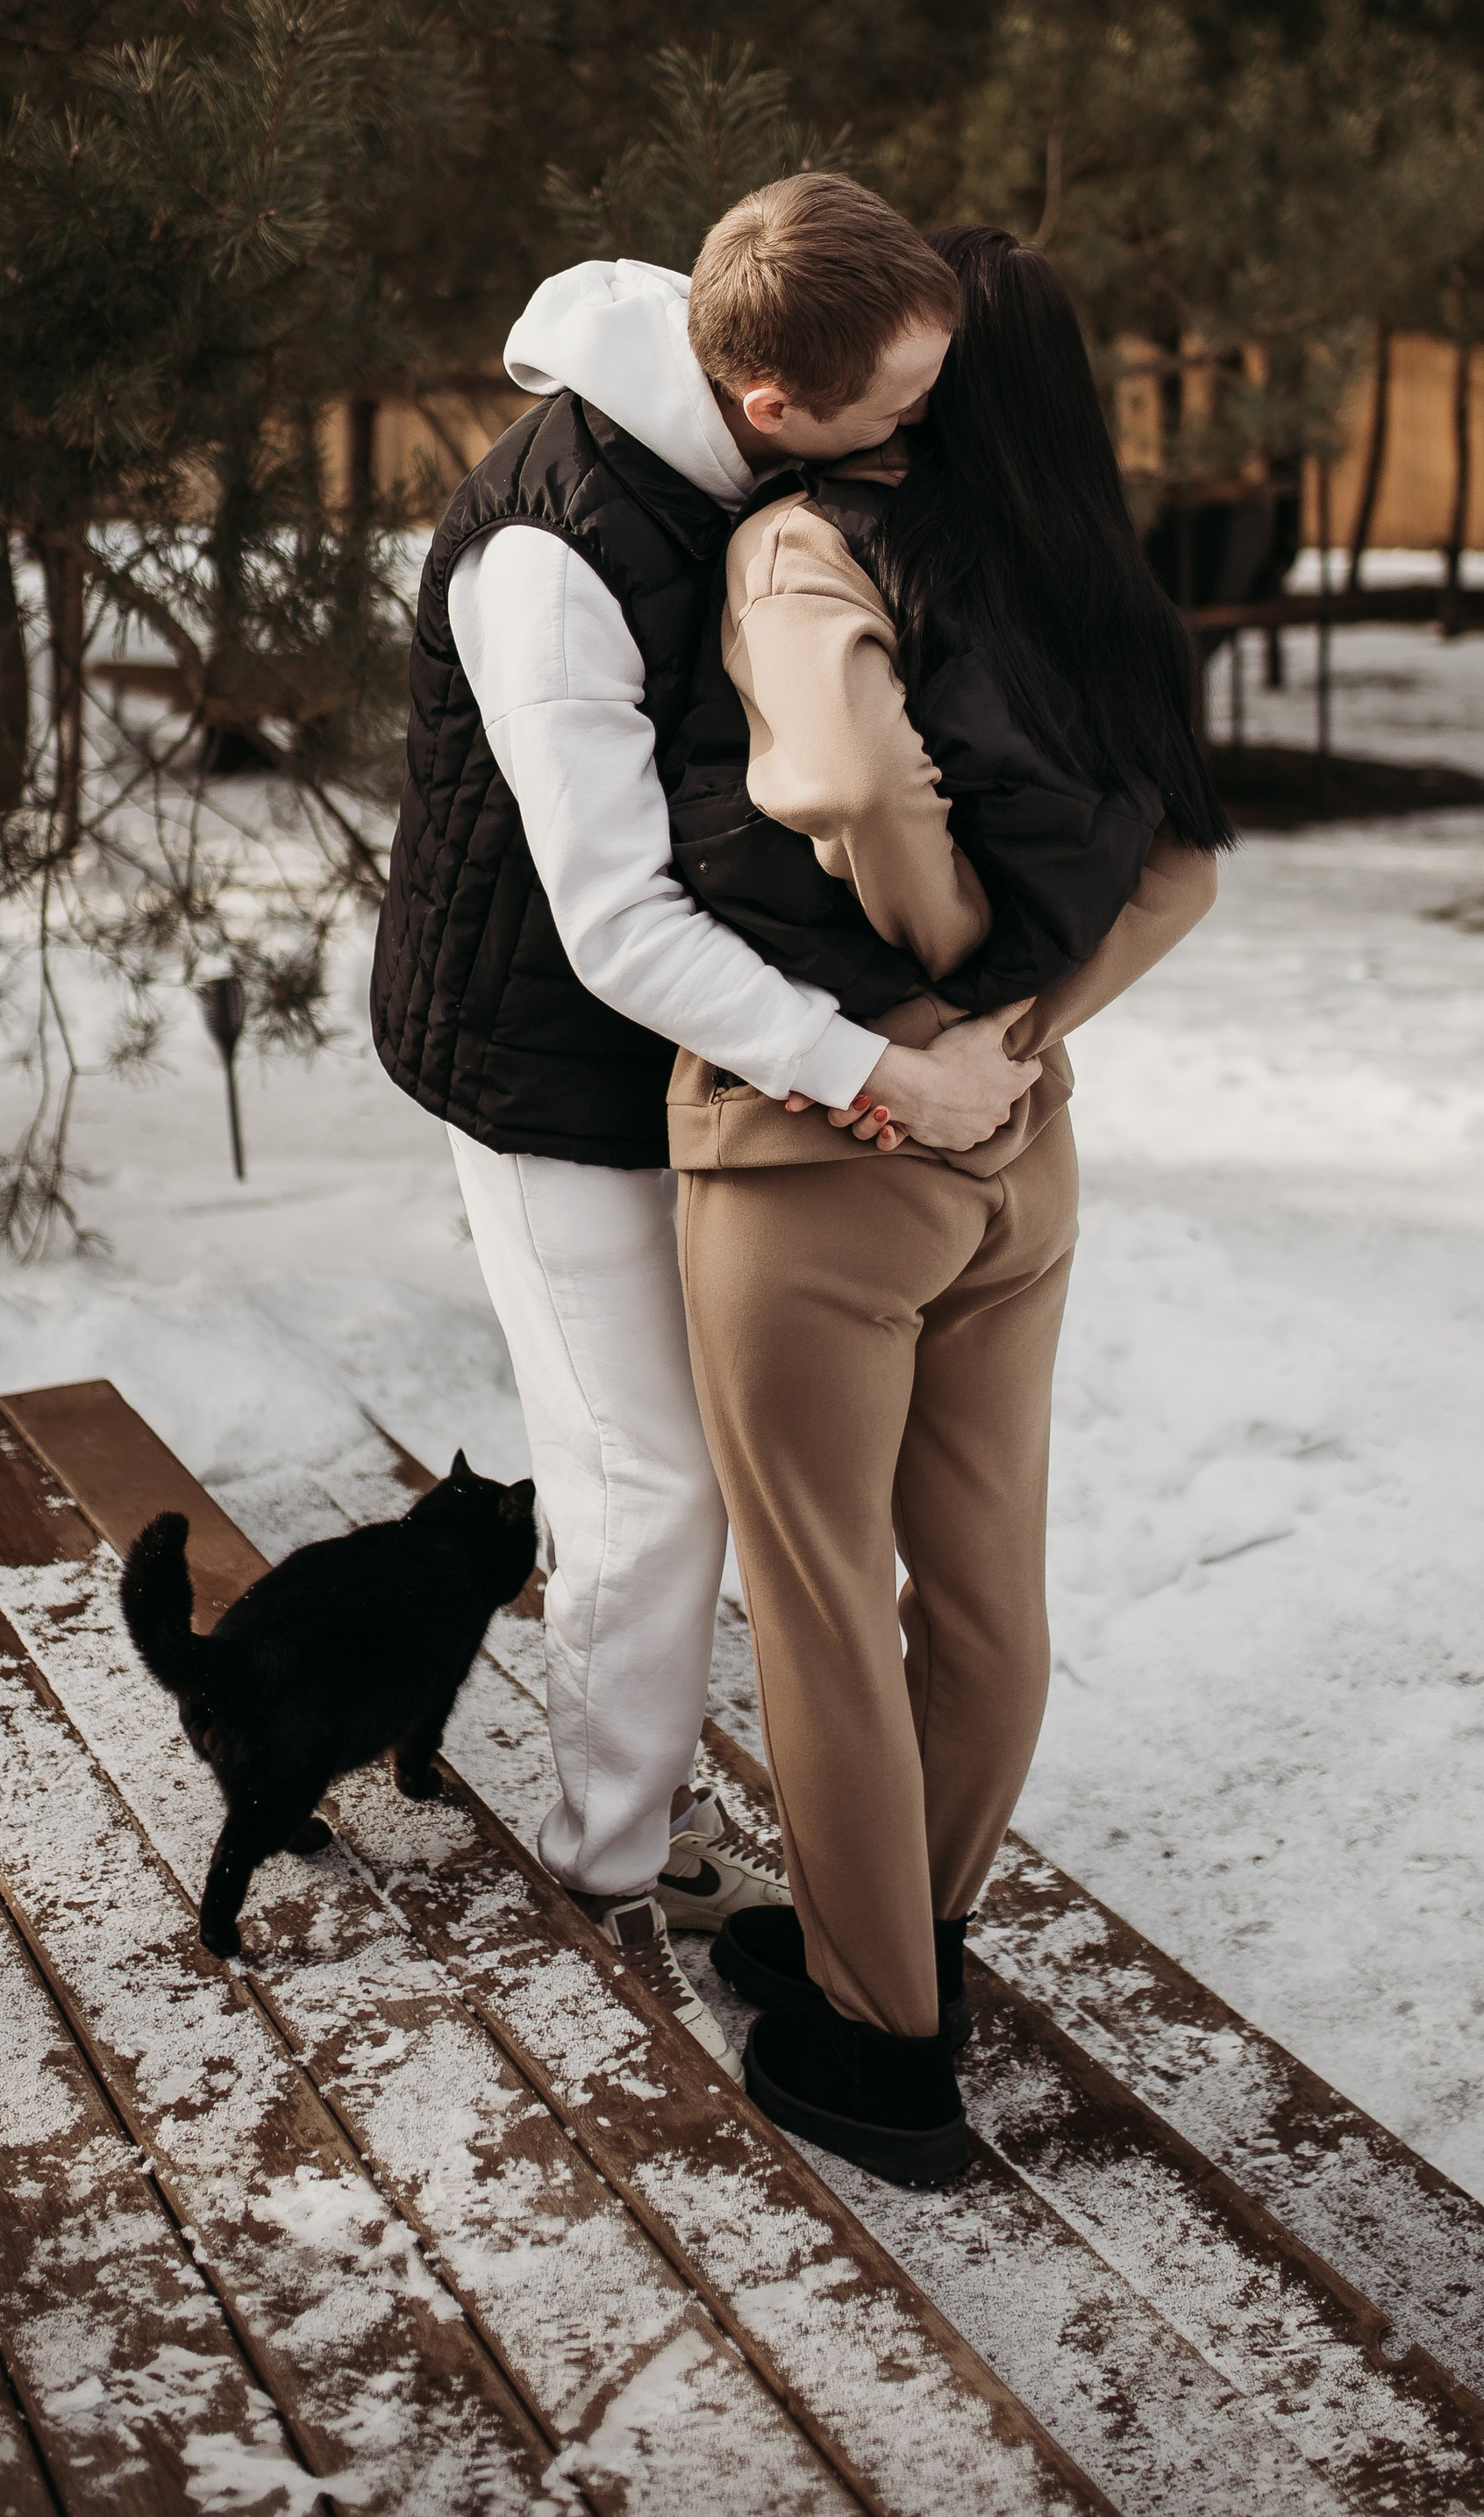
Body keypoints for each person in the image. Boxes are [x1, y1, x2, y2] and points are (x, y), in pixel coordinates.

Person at [370, 176, 1040, 2056]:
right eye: (894, 404)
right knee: (643, 1479)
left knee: (719, 1469)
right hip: (550, 1061)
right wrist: (875, 1073)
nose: (921, 423)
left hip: (706, 1062)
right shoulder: (553, 558)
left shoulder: (775, 370)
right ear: (767, 405)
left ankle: (638, 1788)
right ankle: (607, 1855)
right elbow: (611, 925)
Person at [666, 225, 1233, 2179]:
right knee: (983, 1590)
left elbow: (837, 777)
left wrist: (939, 979)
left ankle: (880, 2052)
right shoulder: (1095, 589)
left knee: (822, 1604)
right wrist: (1018, 1024)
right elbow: (1178, 878)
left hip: (835, 1146)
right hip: (1024, 1151)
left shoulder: (808, 543)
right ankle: (900, 1930)